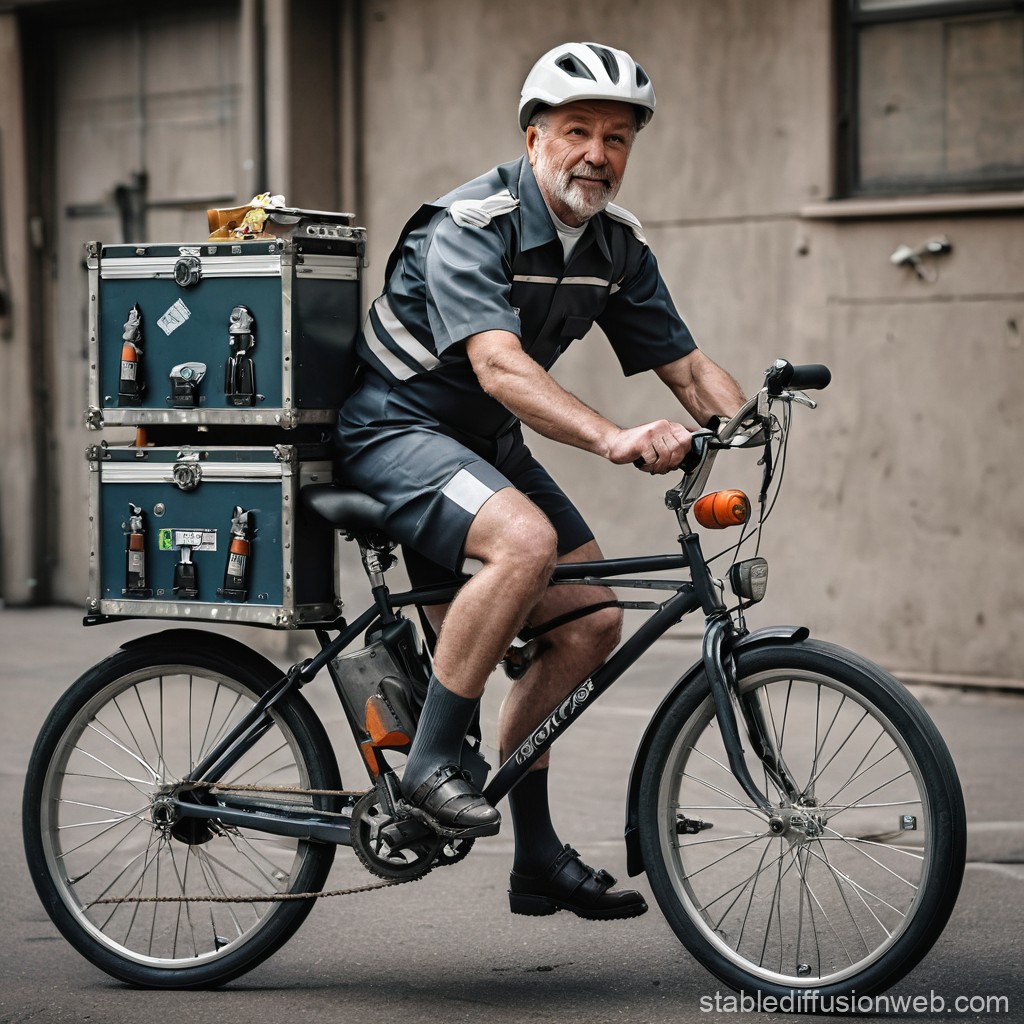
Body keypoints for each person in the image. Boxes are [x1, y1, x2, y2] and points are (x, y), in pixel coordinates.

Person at [335, 41, 745, 920]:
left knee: (591, 623)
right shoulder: (468, 224)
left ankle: (536, 859)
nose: (598, 154)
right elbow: (501, 368)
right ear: (532, 139)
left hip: (480, 446)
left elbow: (687, 365)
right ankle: (431, 768)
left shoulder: (614, 247)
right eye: (576, 131)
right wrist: (611, 436)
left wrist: (747, 422)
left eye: (617, 137)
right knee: (526, 540)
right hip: (395, 429)